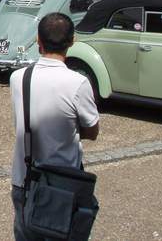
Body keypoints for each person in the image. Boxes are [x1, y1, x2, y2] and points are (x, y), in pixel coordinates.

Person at [10, 13, 99, 241]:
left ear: (38, 40)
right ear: (72, 41)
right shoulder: (78, 83)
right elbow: (92, 131)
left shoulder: (18, 78)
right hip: (63, 182)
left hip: (24, 178)